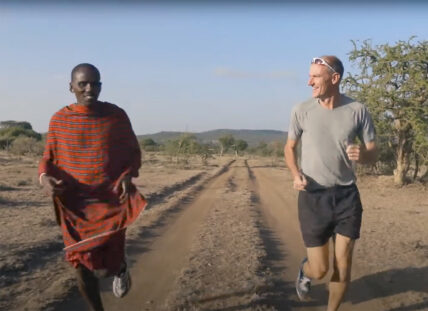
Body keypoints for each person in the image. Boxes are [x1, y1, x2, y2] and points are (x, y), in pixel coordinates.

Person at [39, 63, 147, 311]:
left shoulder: (115, 116)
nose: (90, 88)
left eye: (95, 83)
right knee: (82, 264)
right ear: (71, 87)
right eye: (83, 83)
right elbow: (48, 157)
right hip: (75, 205)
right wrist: (45, 178)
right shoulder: (60, 120)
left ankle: (119, 267)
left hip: (110, 200)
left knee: (105, 266)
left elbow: (132, 151)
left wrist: (128, 174)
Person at [284, 56, 377, 311]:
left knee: (343, 265)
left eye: (315, 77)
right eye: (310, 75)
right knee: (321, 269)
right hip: (313, 197)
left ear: (334, 79)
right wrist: (295, 173)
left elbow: (373, 151)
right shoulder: (301, 110)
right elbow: (289, 148)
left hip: (347, 196)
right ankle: (305, 270)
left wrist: (365, 155)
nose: (309, 81)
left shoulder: (358, 110)